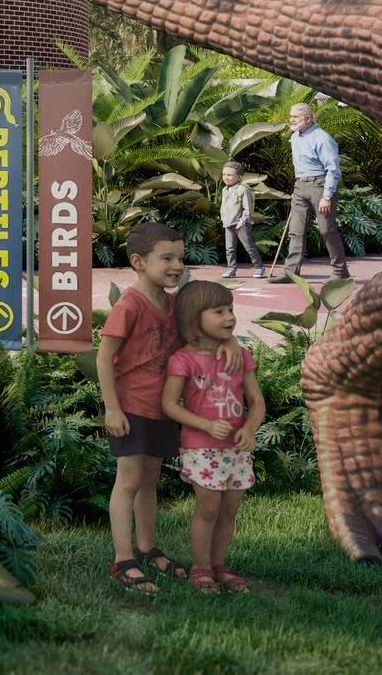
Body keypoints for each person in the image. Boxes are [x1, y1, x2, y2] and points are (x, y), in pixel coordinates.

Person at [98, 221, 242, 594]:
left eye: (180, 257)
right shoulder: (129, 305)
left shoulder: (175, 304)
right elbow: (104, 357)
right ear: (139, 262)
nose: (177, 265)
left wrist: (229, 342)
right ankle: (123, 560)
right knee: (129, 481)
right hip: (131, 407)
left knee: (149, 481)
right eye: (167, 258)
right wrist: (112, 408)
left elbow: (207, 326)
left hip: (163, 409)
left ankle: (148, 548)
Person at [162, 279, 265, 593]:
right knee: (208, 509)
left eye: (230, 309)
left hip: (236, 448)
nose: (229, 317)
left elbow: (257, 401)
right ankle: (201, 567)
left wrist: (249, 428)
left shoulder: (240, 355)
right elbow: (169, 404)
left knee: (229, 510)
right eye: (218, 312)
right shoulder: (183, 360)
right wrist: (204, 425)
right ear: (194, 319)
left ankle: (219, 566)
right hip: (201, 447)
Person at [283, 102, 350, 280]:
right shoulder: (295, 137)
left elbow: (333, 170)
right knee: (295, 230)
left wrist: (327, 196)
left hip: (320, 185)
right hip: (300, 186)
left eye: (295, 116)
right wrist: (299, 186)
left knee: (327, 230)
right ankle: (291, 272)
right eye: (291, 116)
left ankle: (340, 271)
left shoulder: (322, 138)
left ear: (307, 118)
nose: (291, 119)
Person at [218, 161, 268, 280]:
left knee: (249, 247)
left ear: (239, 177)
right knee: (229, 248)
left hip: (241, 224)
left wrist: (242, 221)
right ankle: (231, 269)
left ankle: (259, 268)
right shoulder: (225, 190)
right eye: (224, 174)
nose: (226, 177)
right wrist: (223, 219)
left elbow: (248, 208)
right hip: (228, 223)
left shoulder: (243, 190)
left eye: (230, 175)